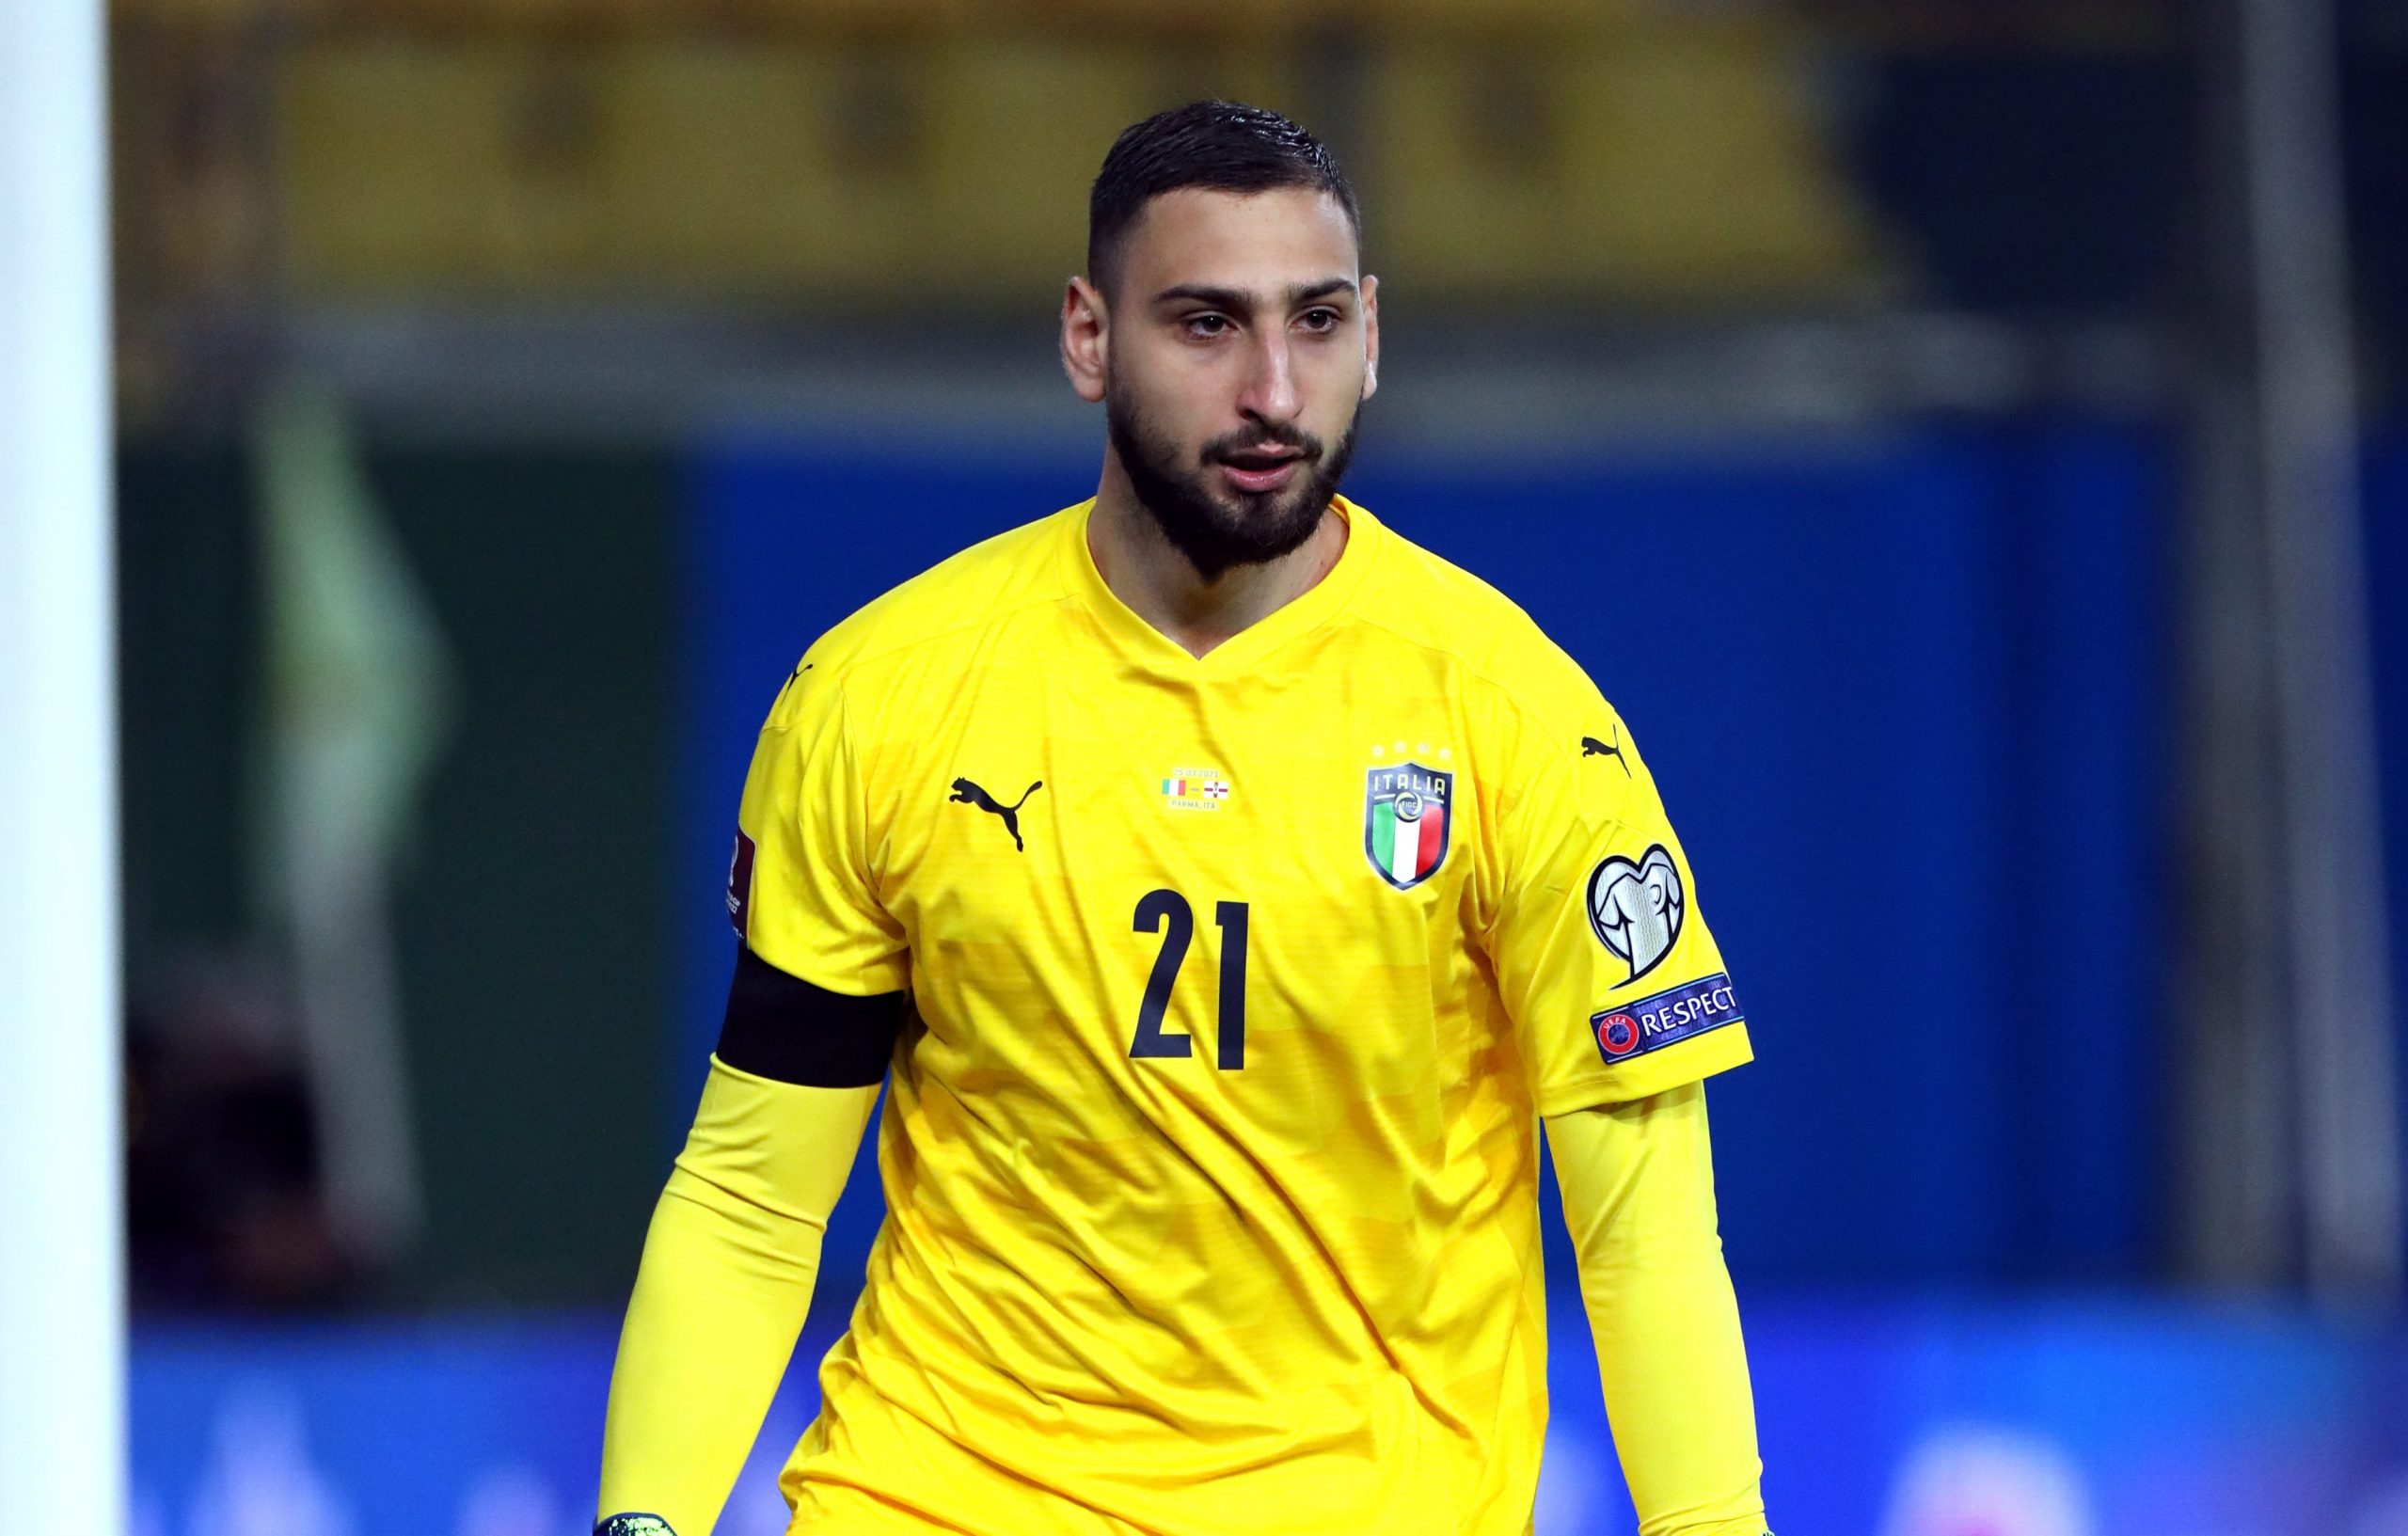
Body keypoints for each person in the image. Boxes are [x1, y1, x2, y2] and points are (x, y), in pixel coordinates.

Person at [596, 100, 1768, 1536]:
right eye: (1208, 325)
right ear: (1090, 337)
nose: (1275, 386)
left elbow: (1645, 1232)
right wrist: (642, 1519)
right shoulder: (881, 701)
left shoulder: (1513, 720)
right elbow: (754, 1199)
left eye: (1318, 322)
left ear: (1375, 335)